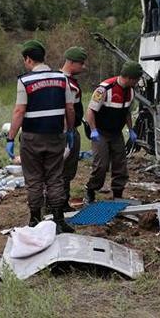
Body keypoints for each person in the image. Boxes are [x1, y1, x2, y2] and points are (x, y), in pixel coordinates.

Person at [5, 40, 76, 234]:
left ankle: (35, 221)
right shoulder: (62, 79)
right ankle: (59, 220)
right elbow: (69, 108)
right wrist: (70, 130)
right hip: (55, 136)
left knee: (34, 179)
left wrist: (11, 138)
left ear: (28, 59)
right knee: (55, 178)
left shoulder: (25, 81)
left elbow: (19, 111)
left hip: (32, 138)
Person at [84, 61, 143, 204]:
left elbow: (126, 112)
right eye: (136, 80)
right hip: (100, 131)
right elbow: (90, 111)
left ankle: (118, 193)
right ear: (129, 78)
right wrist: (93, 131)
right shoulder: (104, 89)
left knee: (120, 164)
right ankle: (90, 190)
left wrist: (131, 129)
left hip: (116, 132)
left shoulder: (130, 91)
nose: (137, 83)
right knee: (101, 164)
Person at [59, 46, 87, 211]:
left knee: (67, 170)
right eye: (81, 63)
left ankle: (62, 201)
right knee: (64, 169)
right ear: (71, 62)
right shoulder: (64, 82)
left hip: (69, 128)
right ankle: (59, 203)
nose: (83, 67)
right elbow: (66, 109)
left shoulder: (66, 80)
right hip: (65, 130)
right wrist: (68, 130)